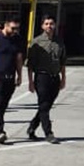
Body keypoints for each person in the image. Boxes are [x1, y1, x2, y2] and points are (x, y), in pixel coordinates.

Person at [26, 15, 67, 143]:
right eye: (47, 24)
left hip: (55, 78)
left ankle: (32, 127)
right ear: (42, 26)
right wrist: (31, 82)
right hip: (42, 77)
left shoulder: (59, 42)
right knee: (43, 104)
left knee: (46, 106)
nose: (49, 26)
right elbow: (30, 64)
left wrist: (63, 79)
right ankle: (48, 133)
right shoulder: (36, 42)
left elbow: (62, 62)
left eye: (51, 23)